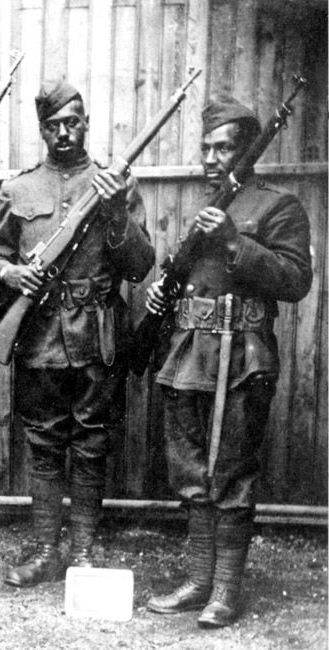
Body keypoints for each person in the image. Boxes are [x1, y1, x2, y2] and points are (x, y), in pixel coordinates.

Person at [145, 96, 312, 627]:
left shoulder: (277, 206)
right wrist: (162, 296)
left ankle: (226, 590)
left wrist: (234, 240)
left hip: (242, 356)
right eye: (206, 147)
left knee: (233, 473)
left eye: (224, 148)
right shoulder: (205, 204)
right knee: (190, 469)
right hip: (189, 352)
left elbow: (295, 281)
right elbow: (193, 280)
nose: (212, 157)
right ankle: (198, 580)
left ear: (247, 152)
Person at [0, 80, 155, 587]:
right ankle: (44, 551)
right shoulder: (18, 189)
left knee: (92, 441)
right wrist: (11, 276)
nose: (64, 132)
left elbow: (140, 265)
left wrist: (118, 211)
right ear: (42, 130)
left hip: (96, 337)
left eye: (72, 122)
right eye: (53, 125)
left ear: (85, 124)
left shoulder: (115, 184)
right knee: (43, 443)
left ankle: (80, 552)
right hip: (37, 336)